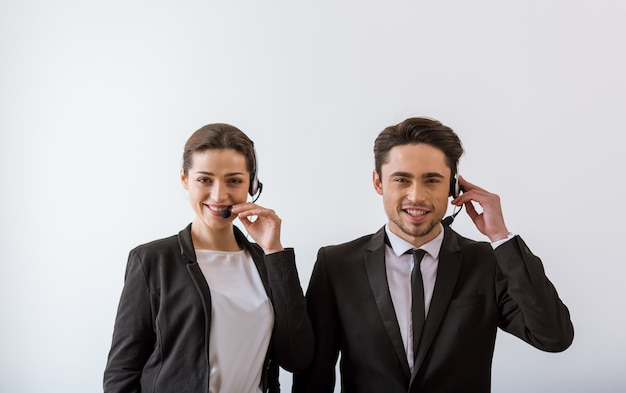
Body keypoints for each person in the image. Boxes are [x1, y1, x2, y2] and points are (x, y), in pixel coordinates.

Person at [293, 117, 574, 393]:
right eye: (402, 180)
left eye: (432, 180)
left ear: (453, 187)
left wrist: (500, 237)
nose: (416, 196)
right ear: (378, 182)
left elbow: (553, 337)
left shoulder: (488, 262)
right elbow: (314, 377)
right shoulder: (337, 265)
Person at [104, 123, 313, 393]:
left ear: (252, 184)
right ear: (184, 179)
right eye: (205, 179)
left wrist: (274, 252)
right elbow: (121, 373)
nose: (219, 195)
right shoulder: (152, 261)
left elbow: (297, 358)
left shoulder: (266, 262)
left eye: (234, 180)